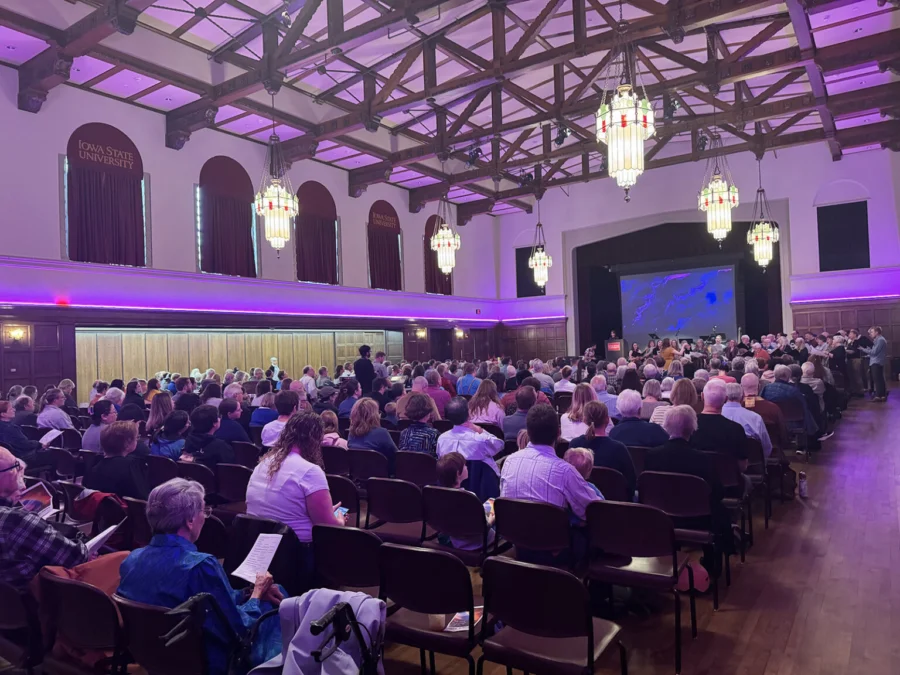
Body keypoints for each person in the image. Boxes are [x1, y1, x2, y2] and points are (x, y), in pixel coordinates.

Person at [118, 479, 283, 674]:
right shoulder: (201, 566)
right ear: (189, 520)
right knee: (277, 603)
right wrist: (257, 595)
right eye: (203, 512)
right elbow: (239, 630)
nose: (204, 517)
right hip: (209, 664)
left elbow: (211, 603)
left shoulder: (131, 560)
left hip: (155, 659)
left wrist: (248, 593)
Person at [0, 448, 89, 589]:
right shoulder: (16, 521)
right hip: (36, 604)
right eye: (16, 466)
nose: (21, 470)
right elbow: (75, 558)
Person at [500, 404, 603, 522]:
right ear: (559, 433)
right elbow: (596, 511)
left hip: (514, 535)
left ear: (528, 432)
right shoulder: (565, 472)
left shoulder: (509, 462)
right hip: (553, 539)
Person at [645, 405, 722, 504]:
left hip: (660, 514)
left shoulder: (652, 456)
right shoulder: (702, 459)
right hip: (696, 514)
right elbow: (718, 493)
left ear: (666, 426)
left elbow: (647, 489)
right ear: (693, 428)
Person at [570, 401, 637, 500]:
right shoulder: (619, 449)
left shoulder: (574, 445)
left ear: (584, 419)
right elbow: (631, 485)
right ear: (607, 419)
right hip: (615, 506)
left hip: (581, 503)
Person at [435, 451, 496, 550]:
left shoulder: (438, 496)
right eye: (464, 466)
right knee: (494, 505)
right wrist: (492, 514)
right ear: (458, 473)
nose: (467, 467)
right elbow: (482, 526)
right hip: (480, 543)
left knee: (489, 504)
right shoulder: (469, 497)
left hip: (456, 541)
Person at [436, 397, 504, 478]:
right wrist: (480, 430)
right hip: (479, 484)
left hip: (451, 483)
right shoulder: (480, 439)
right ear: (469, 414)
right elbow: (499, 445)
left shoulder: (441, 439)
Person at [81, 421, 149, 499]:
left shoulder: (93, 467)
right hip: (127, 510)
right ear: (127, 443)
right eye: (136, 438)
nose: (137, 440)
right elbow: (142, 499)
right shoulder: (131, 466)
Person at [721, 383, 772, 458]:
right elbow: (766, 447)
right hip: (752, 464)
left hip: (720, 465)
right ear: (742, 397)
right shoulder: (755, 418)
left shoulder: (715, 417)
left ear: (724, 397)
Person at [347, 398, 398, 469]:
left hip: (357, 476)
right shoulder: (382, 433)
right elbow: (396, 455)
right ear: (375, 414)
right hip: (381, 476)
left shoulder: (351, 433)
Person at [0, 401, 53, 466]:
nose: (14, 410)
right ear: (3, 414)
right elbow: (25, 444)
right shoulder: (11, 428)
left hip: (5, 458)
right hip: (22, 458)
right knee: (54, 454)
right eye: (11, 409)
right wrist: (40, 444)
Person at [861, 326, 887, 402]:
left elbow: (874, 352)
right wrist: (868, 353)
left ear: (877, 332)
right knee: (879, 379)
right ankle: (882, 395)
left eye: (872, 332)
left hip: (876, 362)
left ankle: (879, 395)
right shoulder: (878, 340)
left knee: (878, 380)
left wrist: (863, 349)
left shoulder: (880, 340)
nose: (870, 334)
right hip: (876, 361)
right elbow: (874, 352)